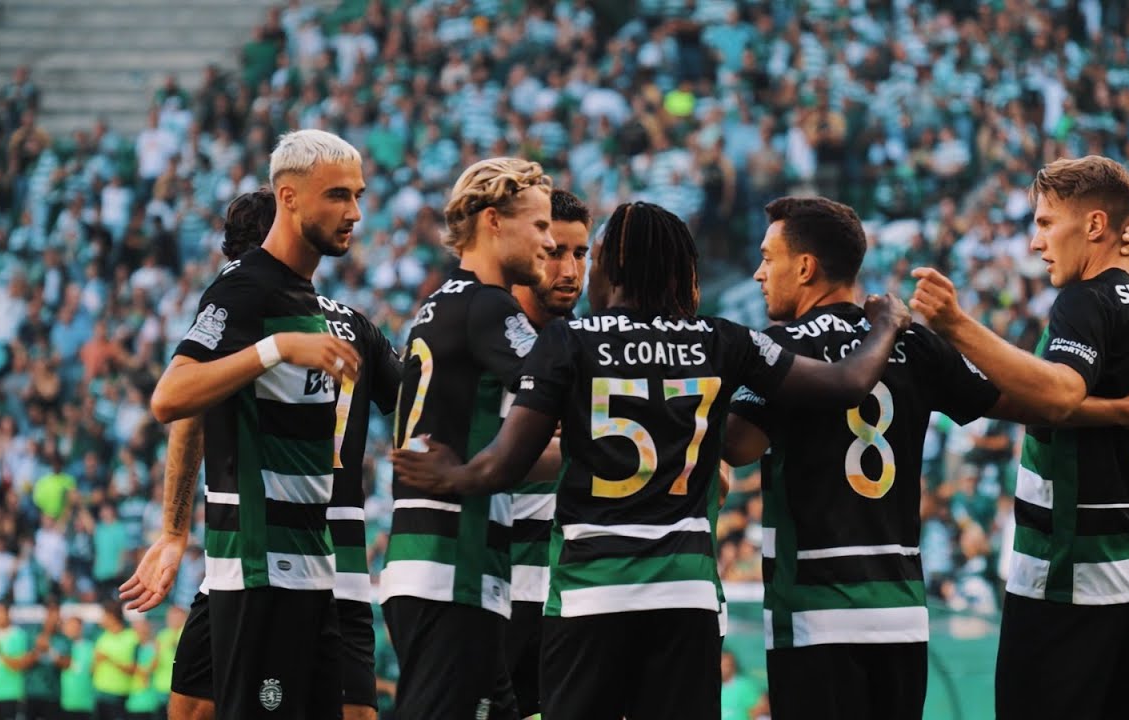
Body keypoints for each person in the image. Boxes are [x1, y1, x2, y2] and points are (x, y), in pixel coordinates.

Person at [392, 200, 911, 719]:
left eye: (594, 259)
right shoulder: (722, 340)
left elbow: (504, 463)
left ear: (613, 268)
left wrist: (454, 473)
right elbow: (847, 383)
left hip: (592, 592)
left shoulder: (568, 342)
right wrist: (885, 325)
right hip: (686, 595)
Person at [723, 197, 1129, 719]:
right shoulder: (913, 343)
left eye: (768, 258)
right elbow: (1032, 403)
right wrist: (1123, 410)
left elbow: (740, 446)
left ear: (805, 267)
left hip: (813, 614)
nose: (759, 273)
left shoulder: (782, 349)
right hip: (901, 616)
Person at [910, 155, 1129, 719]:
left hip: (1071, 570)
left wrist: (956, 326)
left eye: (1046, 223)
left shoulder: (1084, 301)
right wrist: (1122, 410)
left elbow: (1058, 395)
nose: (1035, 242)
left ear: (1094, 225)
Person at [123, 185, 401, 720]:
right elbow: (413, 405)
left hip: (263, 548)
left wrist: (175, 532)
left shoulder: (250, 310)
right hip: (340, 551)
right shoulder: (354, 324)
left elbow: (186, 413)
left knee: (196, 710)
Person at [381, 157, 555, 720]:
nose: (550, 242)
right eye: (540, 225)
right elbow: (561, 392)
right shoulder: (489, 305)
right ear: (493, 220)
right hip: (453, 563)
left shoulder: (440, 303)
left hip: (438, 561)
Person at [507, 187, 591, 719]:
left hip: (567, 593)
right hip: (495, 585)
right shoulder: (487, 335)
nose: (570, 270)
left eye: (581, 253)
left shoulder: (585, 348)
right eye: (556, 252)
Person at [24, 602, 71, 720]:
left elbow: (67, 664)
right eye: (50, 616)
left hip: (53, 695)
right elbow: (24, 663)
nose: (53, 620)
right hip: (32, 693)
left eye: (56, 616)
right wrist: (37, 649)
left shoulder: (64, 639)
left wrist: (50, 650)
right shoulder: (32, 635)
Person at [92, 602, 138, 720]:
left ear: (112, 617)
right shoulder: (102, 638)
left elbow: (132, 669)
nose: (101, 619)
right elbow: (93, 669)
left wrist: (109, 659)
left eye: (104, 616)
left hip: (119, 694)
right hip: (100, 693)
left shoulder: (132, 637)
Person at [0, 601, 30, 719]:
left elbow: (18, 665)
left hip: (9, 694)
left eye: (1, 612)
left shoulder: (18, 635)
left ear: (8, 614)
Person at [61, 615, 96, 720]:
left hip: (86, 704)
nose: (72, 630)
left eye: (75, 626)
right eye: (69, 626)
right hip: (64, 704)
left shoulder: (91, 647)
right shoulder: (61, 647)